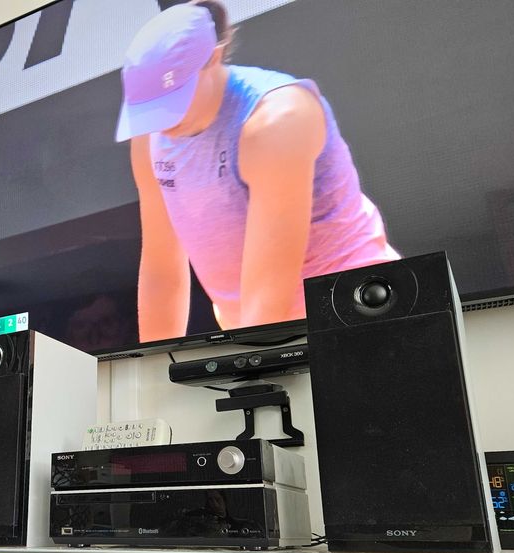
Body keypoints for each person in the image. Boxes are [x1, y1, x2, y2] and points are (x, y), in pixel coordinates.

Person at [116, 1, 400, 342]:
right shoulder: (150, 135)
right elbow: (161, 268)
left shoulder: (278, 119)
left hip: (359, 315)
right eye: (152, 108)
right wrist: (155, 364)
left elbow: (268, 296)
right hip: (254, 328)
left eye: (173, 100)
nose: (163, 122)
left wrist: (248, 361)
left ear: (213, 59)